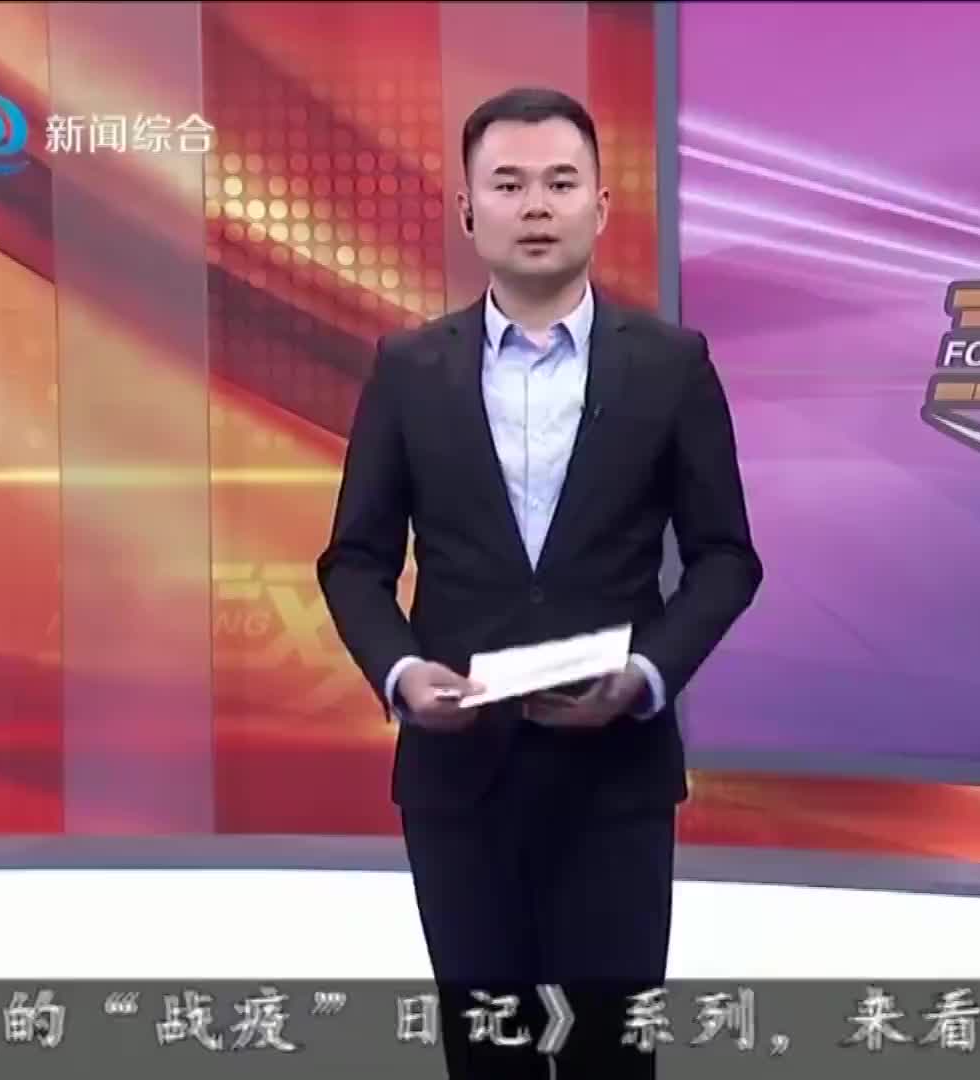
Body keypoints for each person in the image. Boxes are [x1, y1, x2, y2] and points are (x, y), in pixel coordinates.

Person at [316, 86, 762, 1078]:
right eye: (508, 184)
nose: (535, 206)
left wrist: (646, 676)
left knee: (611, 1058)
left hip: (616, 782)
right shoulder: (406, 368)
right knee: (490, 1058)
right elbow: (355, 561)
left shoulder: (672, 366)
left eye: (560, 183)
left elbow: (727, 557)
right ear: (468, 211)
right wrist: (402, 675)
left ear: (600, 207)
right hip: (458, 781)